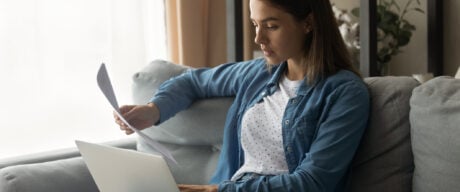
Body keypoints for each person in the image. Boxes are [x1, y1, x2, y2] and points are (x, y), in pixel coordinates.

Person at [114, 0, 370, 191]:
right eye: (255, 25)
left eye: (271, 26)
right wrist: (153, 110)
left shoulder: (345, 93)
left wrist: (219, 191)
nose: (259, 38)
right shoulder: (258, 73)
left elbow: (313, 182)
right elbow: (192, 81)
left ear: (308, 23)